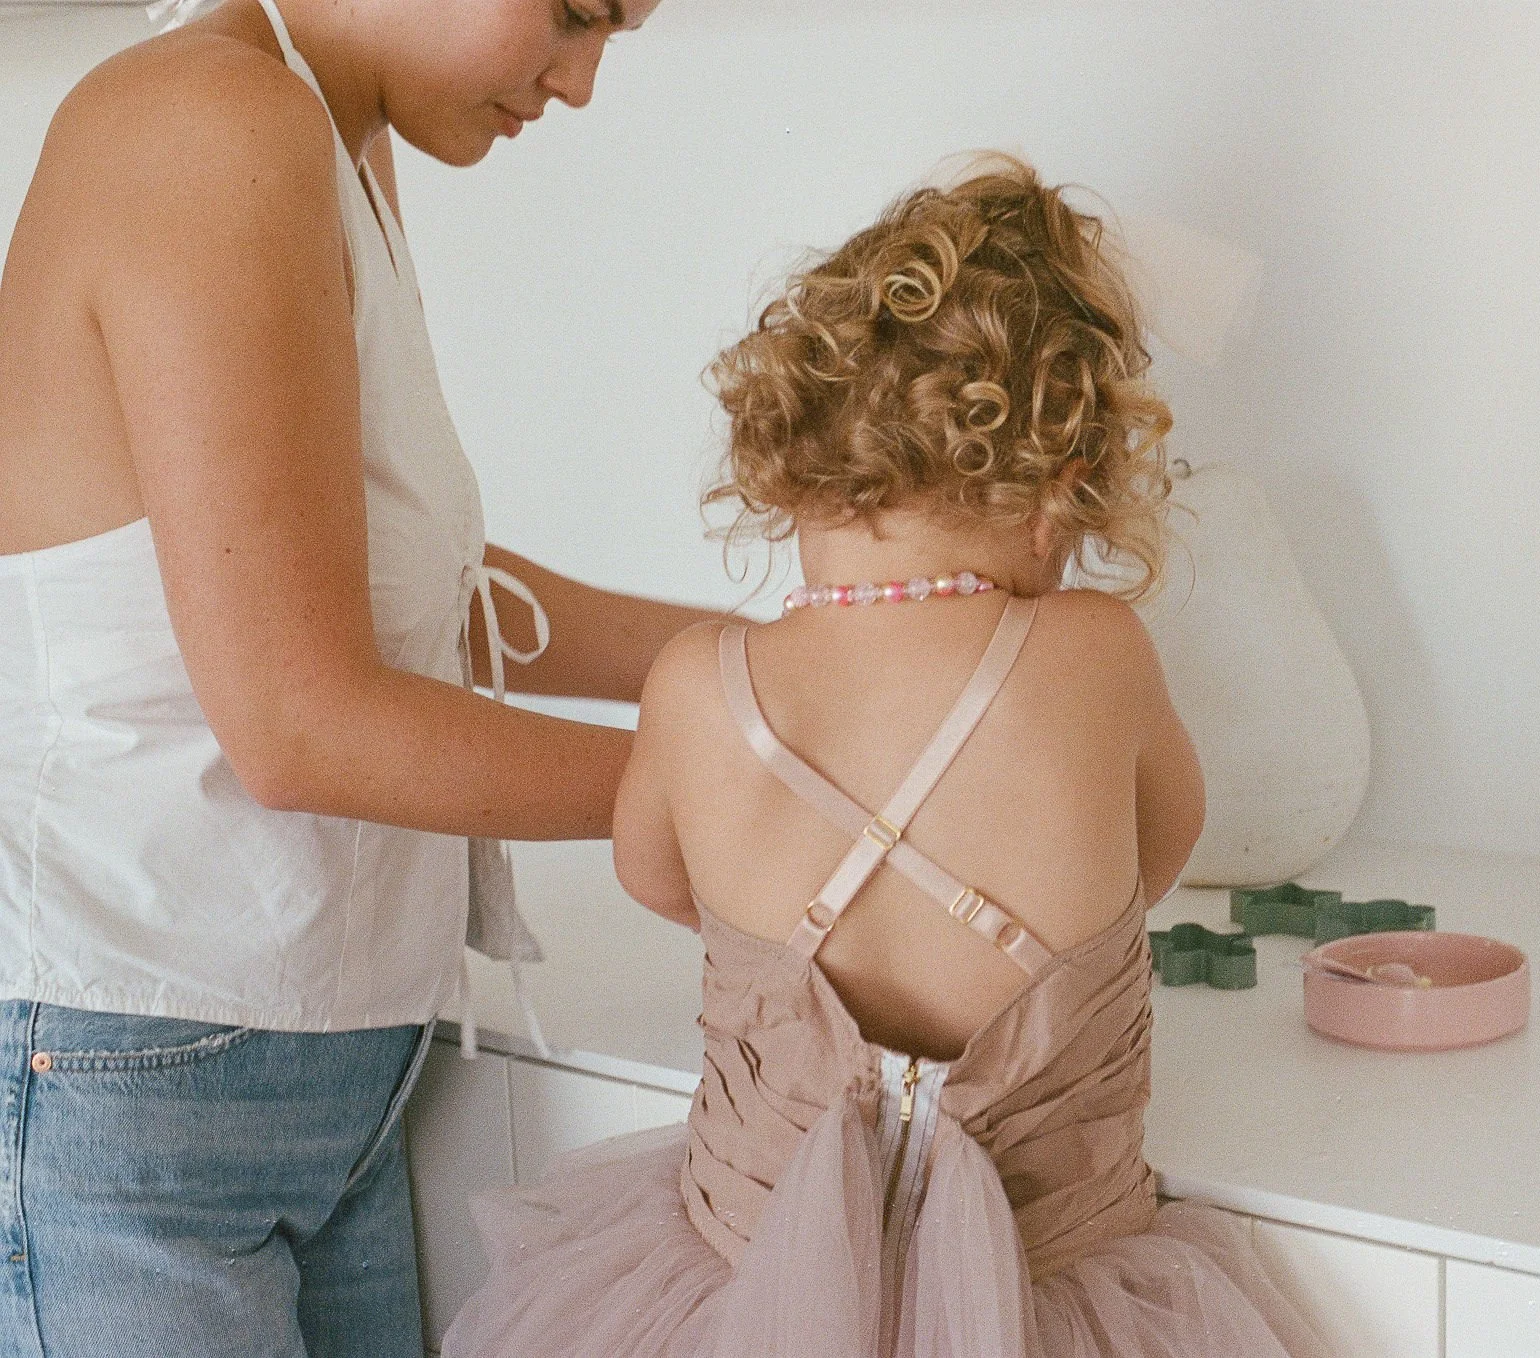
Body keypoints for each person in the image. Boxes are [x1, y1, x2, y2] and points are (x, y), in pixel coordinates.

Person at [442, 154, 1330, 1357]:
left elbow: (657, 878)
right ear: (1059, 497)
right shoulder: (1095, 653)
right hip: (1060, 1280)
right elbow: (1159, 851)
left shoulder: (697, 684)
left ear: (794, 462)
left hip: (737, 1281)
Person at [0, 1, 713, 1354]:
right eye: (573, 16)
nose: (581, 84)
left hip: (322, 1075)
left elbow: (418, 586)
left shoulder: (331, 135)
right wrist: (758, 784)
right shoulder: (208, 122)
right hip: (131, 1081)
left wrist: (765, 667)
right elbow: (298, 721)